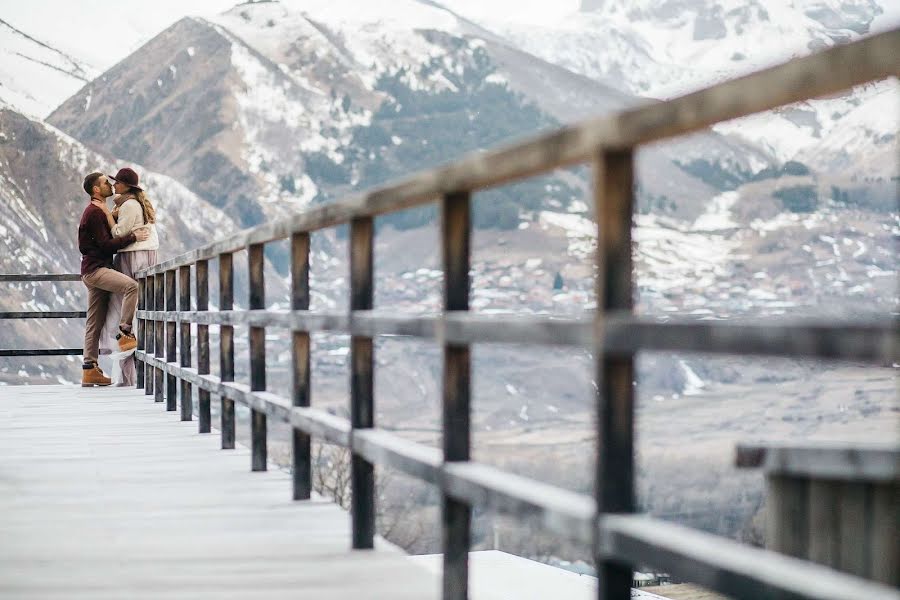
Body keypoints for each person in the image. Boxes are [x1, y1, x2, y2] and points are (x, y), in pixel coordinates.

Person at [79, 171, 150, 387]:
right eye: (105, 183)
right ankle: (125, 333)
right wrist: (133, 237)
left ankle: (89, 369)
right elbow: (105, 245)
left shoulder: (99, 211)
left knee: (95, 322)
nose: (110, 184)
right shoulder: (95, 213)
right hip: (97, 270)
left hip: (91, 271)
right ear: (96, 190)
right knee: (131, 287)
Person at [96, 167, 160, 386]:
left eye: (117, 182)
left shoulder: (130, 205)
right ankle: (128, 372)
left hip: (131, 258)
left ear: (125, 186)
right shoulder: (131, 204)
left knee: (121, 309)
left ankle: (127, 373)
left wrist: (106, 214)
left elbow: (118, 234)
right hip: (139, 256)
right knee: (129, 310)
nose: (114, 186)